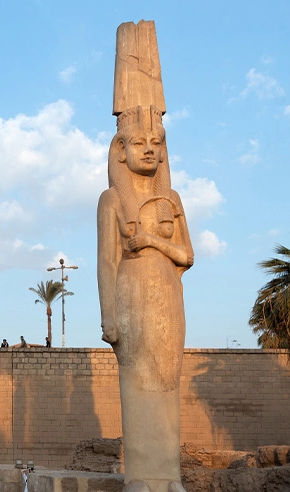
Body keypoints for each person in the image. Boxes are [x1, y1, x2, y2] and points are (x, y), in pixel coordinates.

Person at [97, 101, 194, 491]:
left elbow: (186, 255)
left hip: (168, 297)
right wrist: (108, 315)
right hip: (130, 296)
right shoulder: (112, 199)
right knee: (137, 382)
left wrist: (151, 240)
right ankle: (140, 476)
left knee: (167, 382)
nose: (150, 149)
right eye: (140, 143)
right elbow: (106, 261)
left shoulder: (170, 197)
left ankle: (168, 477)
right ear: (121, 150)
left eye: (157, 142)